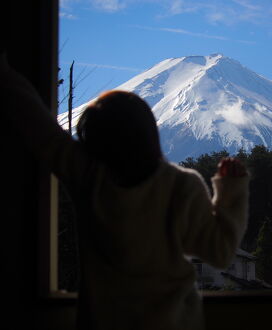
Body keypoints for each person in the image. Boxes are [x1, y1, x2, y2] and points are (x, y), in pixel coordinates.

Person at [1, 54, 249, 330]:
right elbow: (220, 252)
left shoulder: (89, 178)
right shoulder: (181, 185)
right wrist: (231, 191)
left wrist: (5, 74)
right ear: (149, 132)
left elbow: (40, 129)